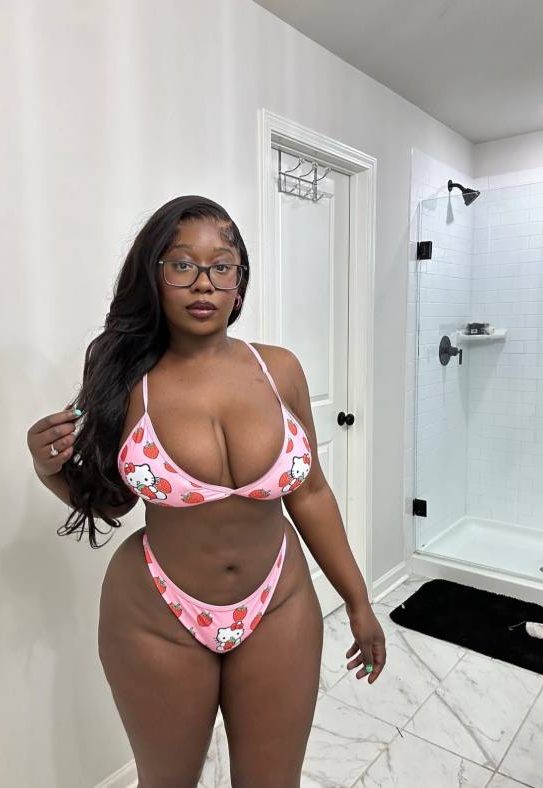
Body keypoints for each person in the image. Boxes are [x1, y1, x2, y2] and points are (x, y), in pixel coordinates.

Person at [27, 195, 386, 788]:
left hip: (279, 602)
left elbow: (311, 493)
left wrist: (358, 600)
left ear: (239, 282)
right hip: (156, 612)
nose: (203, 283)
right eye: (182, 265)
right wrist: (51, 472)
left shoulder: (280, 370)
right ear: (154, 276)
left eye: (222, 266)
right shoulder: (124, 377)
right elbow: (115, 502)